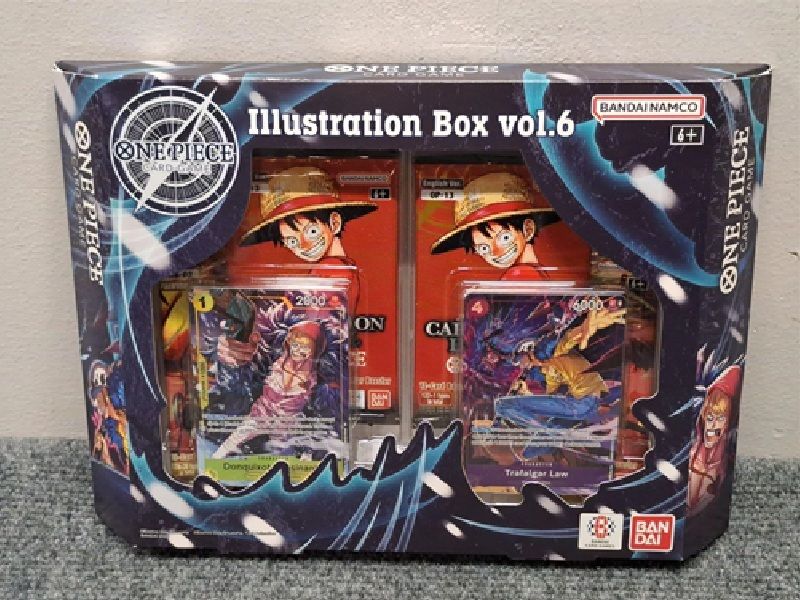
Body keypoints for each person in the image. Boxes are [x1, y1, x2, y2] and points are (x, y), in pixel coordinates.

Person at [430, 172, 560, 280]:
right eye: (484, 248)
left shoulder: (518, 275)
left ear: (528, 229)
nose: (496, 252)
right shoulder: (535, 271)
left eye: (504, 238)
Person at [688, 365, 740, 514]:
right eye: (710, 418)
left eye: (721, 419)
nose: (714, 424)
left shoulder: (723, 458)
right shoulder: (694, 451)